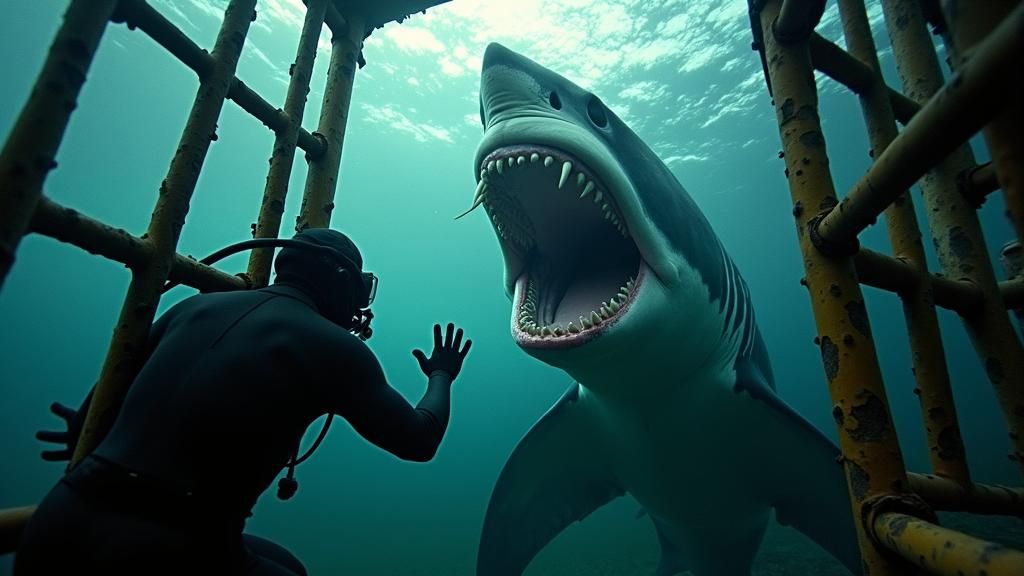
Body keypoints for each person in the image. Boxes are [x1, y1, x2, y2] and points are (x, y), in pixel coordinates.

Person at [15, 228, 472, 575]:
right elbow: (419, 439)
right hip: (173, 545)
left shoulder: (191, 309)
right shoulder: (335, 348)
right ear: (340, 280)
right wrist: (441, 375)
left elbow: (101, 401)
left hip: (58, 520)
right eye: (358, 287)